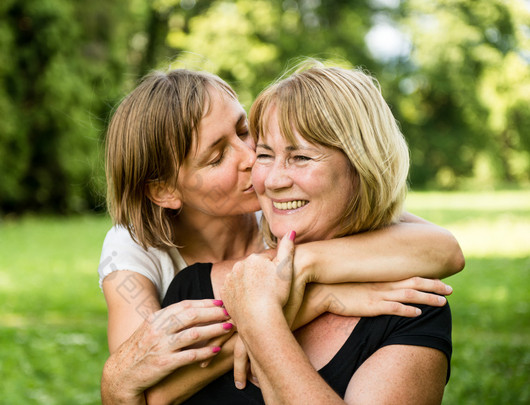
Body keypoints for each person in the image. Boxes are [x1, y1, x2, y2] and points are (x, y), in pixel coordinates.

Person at [99, 68, 464, 404]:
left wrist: (301, 265)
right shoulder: (135, 250)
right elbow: (140, 379)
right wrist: (316, 299)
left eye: (245, 132)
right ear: (163, 190)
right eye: (216, 157)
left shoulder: (281, 207)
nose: (252, 159)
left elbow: (443, 248)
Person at [212, 62, 454, 403]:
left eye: (301, 157)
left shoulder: (408, 306)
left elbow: (448, 249)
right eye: (265, 155)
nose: (274, 180)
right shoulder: (199, 282)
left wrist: (261, 324)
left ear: (361, 167)